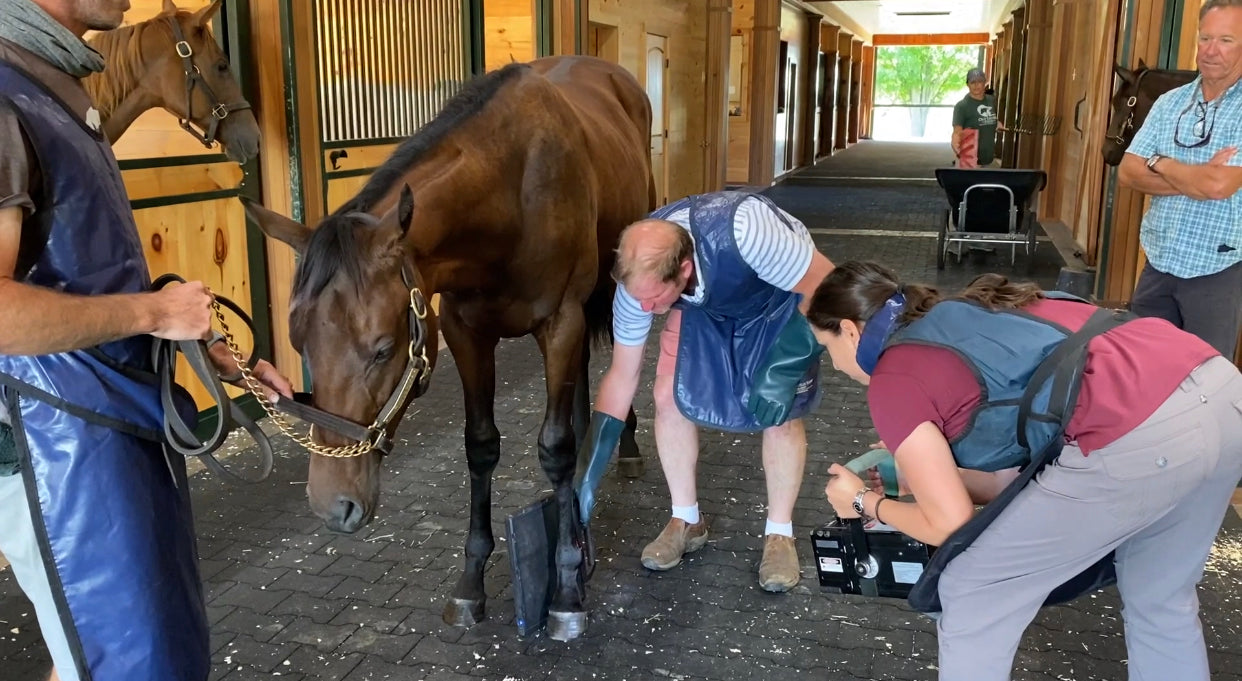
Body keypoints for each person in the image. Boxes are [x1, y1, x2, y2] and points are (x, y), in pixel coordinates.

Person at [0, 1, 291, 680]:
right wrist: (152, 313)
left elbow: (79, 274)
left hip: (104, 429)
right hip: (56, 446)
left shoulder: (56, 86)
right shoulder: (6, 97)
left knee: (114, 648)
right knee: (126, 657)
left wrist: (191, 342)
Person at [809, 261, 1241, 681]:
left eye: (826, 348)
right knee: (1160, 599)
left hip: (1137, 434)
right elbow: (1016, 482)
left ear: (850, 331)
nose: (834, 364)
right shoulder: (967, 312)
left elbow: (948, 525)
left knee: (970, 589)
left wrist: (865, 502)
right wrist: (931, 479)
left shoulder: (892, 375)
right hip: (1219, 392)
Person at [574, 191, 834, 592]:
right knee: (667, 396)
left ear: (683, 267)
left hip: (775, 299)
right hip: (703, 307)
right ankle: (686, 520)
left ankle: (779, 533)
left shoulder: (751, 234)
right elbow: (622, 375)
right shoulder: (637, 285)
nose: (644, 309)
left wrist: (784, 369)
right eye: (637, 298)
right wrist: (586, 477)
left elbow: (827, 288)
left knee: (780, 410)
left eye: (653, 298)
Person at [1118, 0, 1242, 359]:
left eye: (1226, 40)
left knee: (1203, 382)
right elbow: (1128, 172)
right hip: (1158, 263)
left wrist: (1158, 162)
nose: (1211, 50)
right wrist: (1195, 177)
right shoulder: (1169, 103)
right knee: (1139, 368)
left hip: (1216, 271)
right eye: (1205, 38)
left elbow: (1219, 187)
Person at [951, 68, 1001, 167]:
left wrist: (997, 123)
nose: (976, 85)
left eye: (980, 81)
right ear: (967, 84)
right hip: (969, 162)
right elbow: (957, 131)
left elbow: (990, 118)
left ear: (985, 83)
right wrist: (955, 141)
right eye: (972, 82)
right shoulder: (962, 106)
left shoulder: (991, 101)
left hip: (989, 160)